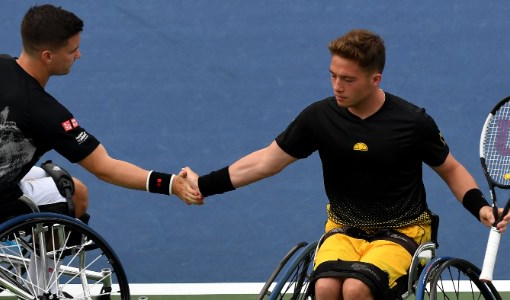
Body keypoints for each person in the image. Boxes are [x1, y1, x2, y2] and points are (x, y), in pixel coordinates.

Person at [183, 29, 510, 299]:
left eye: (348, 79)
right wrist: (204, 185)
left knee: (356, 289)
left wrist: (480, 207)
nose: (337, 86)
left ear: (375, 79)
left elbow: (449, 168)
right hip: (342, 229)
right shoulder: (319, 117)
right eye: (333, 76)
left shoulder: (411, 122)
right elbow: (266, 162)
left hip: (403, 232)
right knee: (325, 287)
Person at [0, 4, 203, 219]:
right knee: (78, 195)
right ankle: (43, 262)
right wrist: (170, 183)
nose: (78, 55)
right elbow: (105, 168)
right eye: (72, 50)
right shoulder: (46, 113)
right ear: (47, 56)